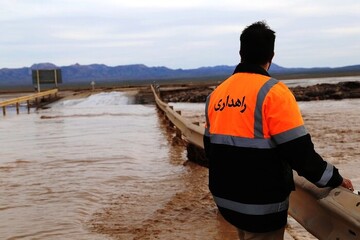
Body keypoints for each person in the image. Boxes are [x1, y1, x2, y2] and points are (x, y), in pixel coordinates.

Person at [203, 21, 354, 240]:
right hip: (262, 208)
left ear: (240, 53)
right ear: (271, 56)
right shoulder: (274, 93)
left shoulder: (216, 95)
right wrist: (335, 178)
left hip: (227, 202)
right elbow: (300, 154)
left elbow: (211, 150)